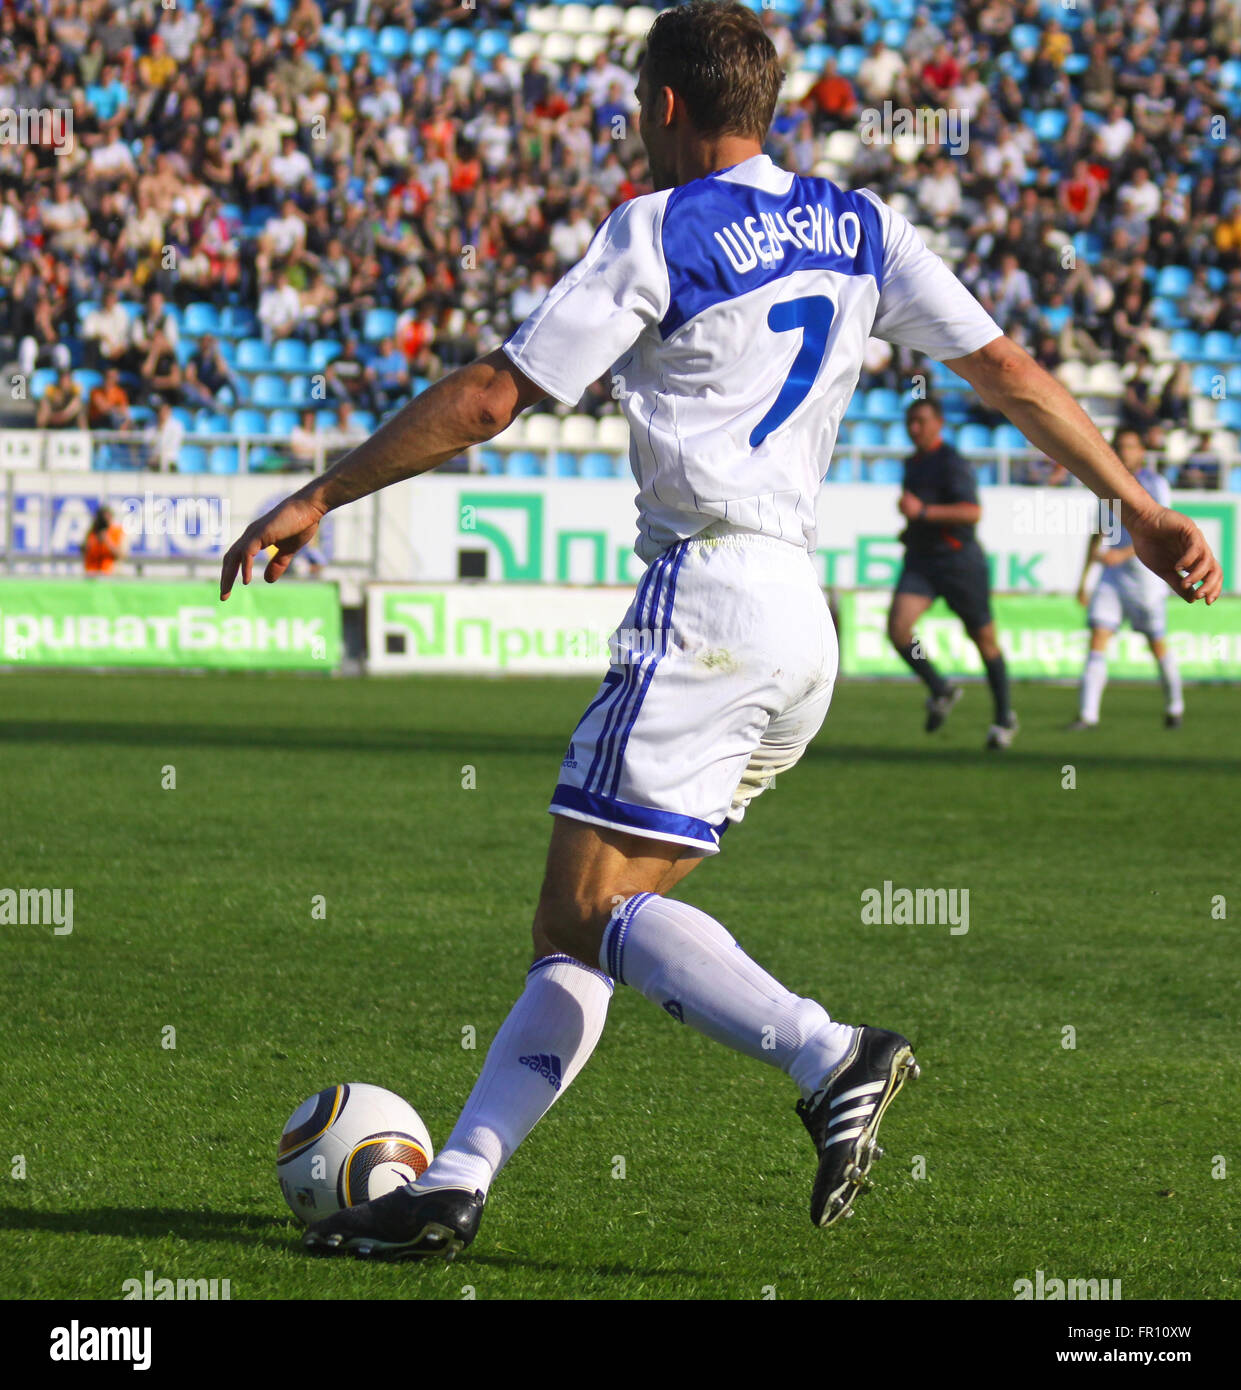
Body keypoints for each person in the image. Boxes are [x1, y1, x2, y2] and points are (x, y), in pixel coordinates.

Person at [220, 2, 1221, 1263]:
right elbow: (1009, 371)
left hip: (703, 599)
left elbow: (489, 396)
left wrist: (318, 494)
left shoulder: (657, 228)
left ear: (666, 105)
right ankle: (456, 1183)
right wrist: (1137, 504)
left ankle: (828, 1052)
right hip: (802, 622)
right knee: (579, 924)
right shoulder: (864, 226)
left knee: (588, 910)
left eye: (638, 103)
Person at [887, 398, 1018, 749]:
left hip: (960, 563)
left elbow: (972, 512)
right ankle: (940, 688)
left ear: (939, 423)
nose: (915, 427)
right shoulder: (912, 464)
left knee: (984, 640)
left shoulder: (951, 461)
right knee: (899, 630)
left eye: (921, 421)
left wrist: (924, 513)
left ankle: (1004, 717)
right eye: (910, 421)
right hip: (923, 560)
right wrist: (913, 528)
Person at [1070, 429, 1184, 730]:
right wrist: (1084, 580)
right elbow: (1097, 533)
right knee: (1098, 636)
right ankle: (1088, 715)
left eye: (1131, 447)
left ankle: (1175, 706)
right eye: (1120, 447)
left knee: (1156, 643)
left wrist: (1121, 555)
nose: (1125, 452)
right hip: (1112, 576)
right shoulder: (1105, 485)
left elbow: (1160, 532)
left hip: (1145, 577)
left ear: (1142, 452)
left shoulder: (1154, 485)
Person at [82, 506, 126, 574]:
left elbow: (121, 555)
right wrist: (93, 541)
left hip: (110, 572)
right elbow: (84, 551)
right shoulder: (91, 532)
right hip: (91, 572)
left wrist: (107, 541)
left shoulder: (117, 532)